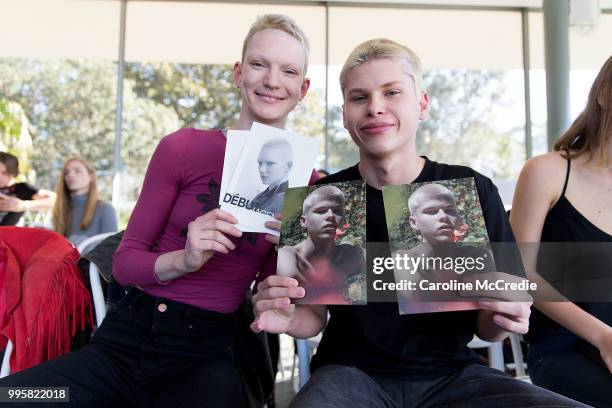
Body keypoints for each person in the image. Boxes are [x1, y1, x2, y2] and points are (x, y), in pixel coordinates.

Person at [252, 38, 586, 407]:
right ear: (346, 115)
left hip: (455, 375)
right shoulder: (324, 197)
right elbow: (312, 315)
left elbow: (487, 328)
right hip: (349, 375)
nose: (375, 108)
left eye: (392, 92)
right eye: (359, 98)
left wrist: (507, 314)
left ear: (422, 104)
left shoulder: (472, 190)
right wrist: (288, 318)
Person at [0, 14, 313, 408]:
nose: (272, 80)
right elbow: (127, 263)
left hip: (207, 354)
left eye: (288, 71)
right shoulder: (182, 148)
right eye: (258, 64)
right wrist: (185, 258)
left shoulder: (306, 183)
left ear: (302, 89)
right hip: (125, 342)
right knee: (16, 397)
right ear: (238, 73)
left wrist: (284, 274)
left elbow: (273, 292)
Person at [510, 55, 612, 407]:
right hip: (563, 348)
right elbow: (519, 271)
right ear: (603, 92)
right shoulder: (548, 172)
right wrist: (604, 337)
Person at [395, 183, 496, 310]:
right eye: (431, 211)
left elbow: (491, 300)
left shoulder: (477, 255)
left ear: (458, 218)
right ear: (414, 222)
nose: (444, 216)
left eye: (450, 210)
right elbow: (420, 294)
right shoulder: (402, 259)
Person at [277, 185, 364, 305]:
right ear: (303, 221)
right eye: (321, 211)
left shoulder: (352, 254)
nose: (331, 216)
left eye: (337, 211)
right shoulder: (288, 255)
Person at [52, 157, 117, 245]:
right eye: (66, 173)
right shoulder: (60, 211)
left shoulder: (106, 209)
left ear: (91, 176)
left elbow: (109, 250)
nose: (70, 175)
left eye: (77, 171)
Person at [0, 151, 55, 226]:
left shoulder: (21, 188)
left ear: (13, 172)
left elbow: (55, 200)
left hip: (8, 235)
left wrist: (23, 205)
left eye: (4, 173)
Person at [250, 138, 293, 216]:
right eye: (260, 163)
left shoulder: (287, 202)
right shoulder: (260, 196)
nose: (261, 170)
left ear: (288, 166)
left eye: (270, 163)